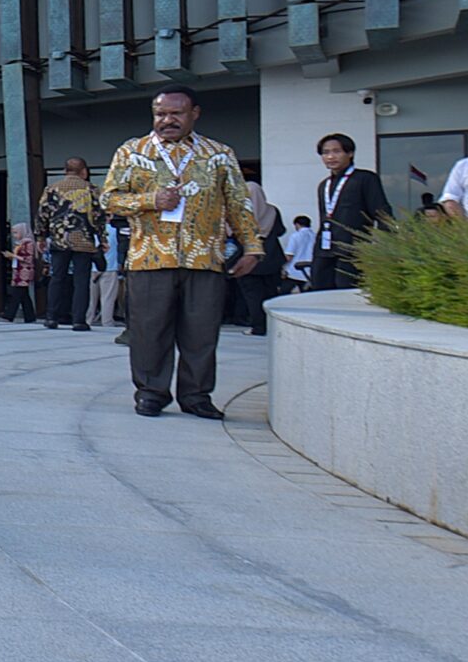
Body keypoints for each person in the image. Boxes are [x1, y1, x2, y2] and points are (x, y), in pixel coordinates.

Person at [100, 87, 259, 419]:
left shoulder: (219, 154)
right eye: (160, 114)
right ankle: (151, 392)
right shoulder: (132, 151)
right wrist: (150, 200)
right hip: (149, 257)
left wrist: (252, 247)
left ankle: (197, 396)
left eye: (176, 114)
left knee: (201, 333)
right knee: (148, 332)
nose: (167, 120)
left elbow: (238, 204)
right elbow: (108, 199)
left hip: (205, 257)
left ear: (194, 114)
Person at [312, 134, 392, 292]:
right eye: (325, 152)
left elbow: (381, 212)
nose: (330, 156)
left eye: (336, 151)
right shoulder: (324, 185)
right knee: (320, 291)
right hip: (325, 248)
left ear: (350, 153)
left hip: (353, 249)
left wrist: (387, 244)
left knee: (347, 292)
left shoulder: (365, 178)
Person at [36, 158, 103, 332]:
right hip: (84, 240)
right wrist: (102, 239)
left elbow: (42, 214)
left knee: (57, 278)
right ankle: (79, 320)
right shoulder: (92, 190)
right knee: (82, 281)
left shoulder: (52, 189)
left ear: (65, 170)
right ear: (84, 171)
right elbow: (99, 217)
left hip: (60, 239)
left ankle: (51, 317)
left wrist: (41, 237)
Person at [236, 175, 287, 337]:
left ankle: (258, 327)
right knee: (271, 294)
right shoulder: (272, 210)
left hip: (251, 259)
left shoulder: (241, 212)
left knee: (253, 296)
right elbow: (280, 231)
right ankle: (272, 325)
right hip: (272, 258)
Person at [281, 214, 317, 289]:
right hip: (309, 271)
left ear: (297, 224)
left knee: (283, 294)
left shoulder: (295, 236)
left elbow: (289, 255)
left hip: (294, 271)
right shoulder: (315, 236)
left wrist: (282, 267)